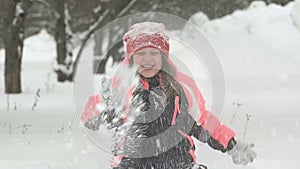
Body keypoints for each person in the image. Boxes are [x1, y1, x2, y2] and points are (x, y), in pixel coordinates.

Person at [81, 22, 256, 169]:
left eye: (154, 53)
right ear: (131, 57)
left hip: (178, 161)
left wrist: (231, 144)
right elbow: (94, 110)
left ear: (163, 56)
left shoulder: (180, 86)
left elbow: (202, 121)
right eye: (140, 53)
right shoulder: (120, 86)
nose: (147, 59)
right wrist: (97, 113)